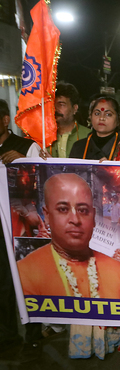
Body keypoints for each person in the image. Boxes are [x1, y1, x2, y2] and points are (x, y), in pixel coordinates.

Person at [16, 174, 120, 359]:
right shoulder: (24, 273)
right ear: (46, 216)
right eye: (63, 209)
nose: (75, 219)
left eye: (83, 210)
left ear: (94, 217)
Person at [0, 101, 43, 360]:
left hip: (24, 228)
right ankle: (7, 336)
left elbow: (44, 178)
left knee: (28, 281)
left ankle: (34, 336)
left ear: (5, 120)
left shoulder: (26, 147)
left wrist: (24, 162)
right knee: (3, 284)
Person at [70, 95, 120, 161]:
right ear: (90, 117)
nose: (101, 118)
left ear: (118, 120)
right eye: (97, 113)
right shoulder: (78, 147)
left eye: (108, 114)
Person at [48, 83, 91, 158]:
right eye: (52, 104)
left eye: (61, 104)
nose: (55, 108)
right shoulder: (42, 136)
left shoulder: (89, 136)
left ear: (75, 108)